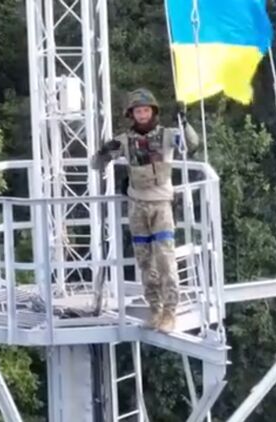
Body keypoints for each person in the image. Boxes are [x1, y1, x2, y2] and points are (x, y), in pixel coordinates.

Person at [91, 88, 199, 332]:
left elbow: (192, 144)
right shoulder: (124, 141)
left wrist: (184, 122)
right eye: (138, 111)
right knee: (145, 261)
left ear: (153, 112)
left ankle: (170, 311)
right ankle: (155, 309)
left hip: (161, 205)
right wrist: (103, 151)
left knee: (165, 259)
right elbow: (96, 164)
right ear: (132, 114)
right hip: (137, 205)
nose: (142, 115)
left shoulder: (168, 135)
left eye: (146, 110)